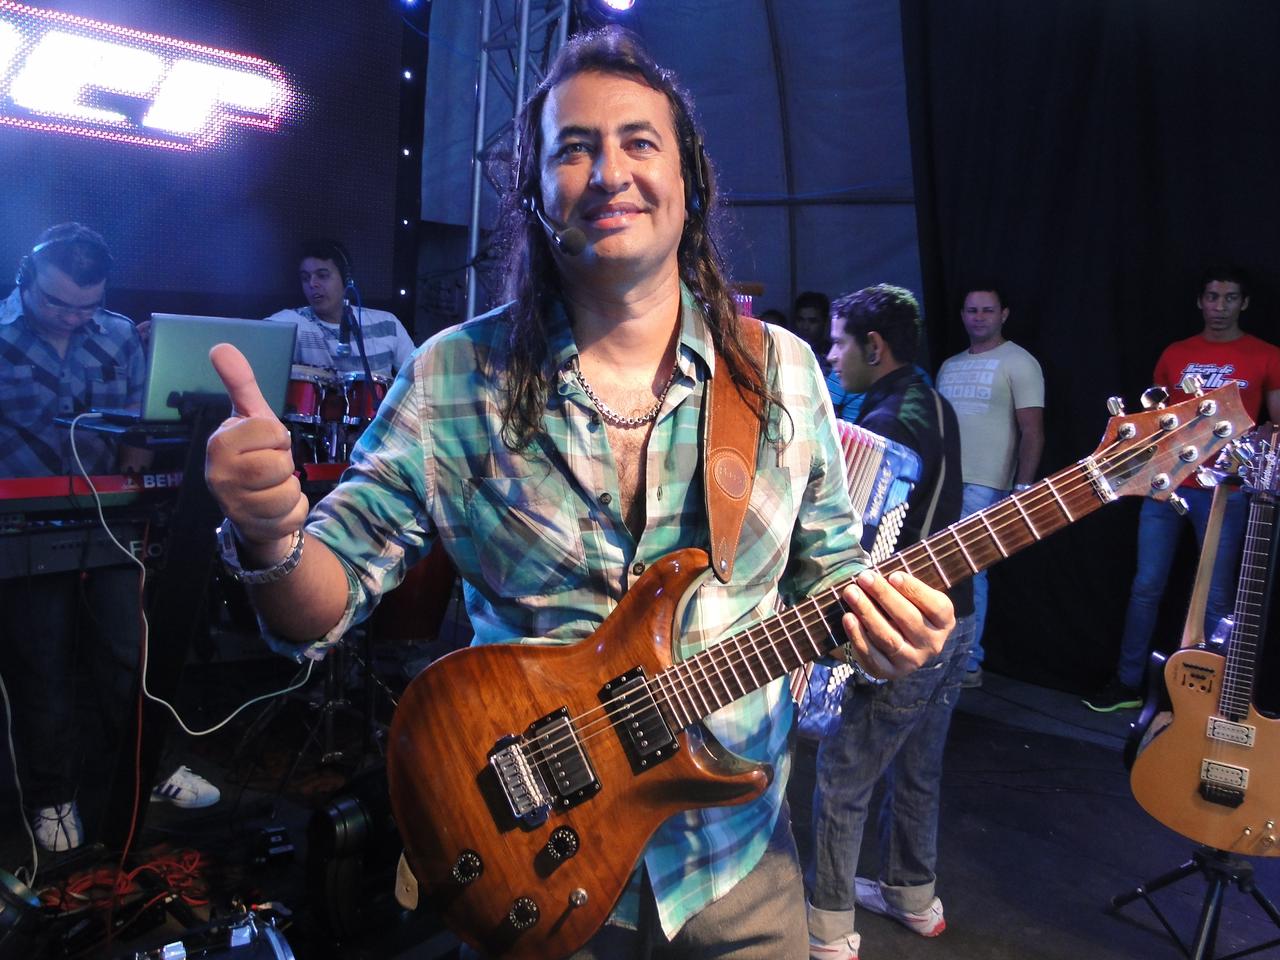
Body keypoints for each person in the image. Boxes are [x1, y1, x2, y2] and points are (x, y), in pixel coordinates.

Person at [205, 27, 953, 960]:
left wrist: (883, 635)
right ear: (533, 191)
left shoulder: (783, 372)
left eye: (640, 142)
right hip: (529, 868)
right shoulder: (452, 377)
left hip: (736, 871)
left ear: (690, 181)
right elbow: (315, 610)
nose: (609, 173)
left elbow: (830, 576)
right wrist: (272, 536)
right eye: (573, 148)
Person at [0, 224, 218, 854]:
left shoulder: (119, 335)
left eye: (86, 306)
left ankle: (146, 771)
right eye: (57, 303)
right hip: (21, 526)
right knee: (40, 663)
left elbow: (137, 429)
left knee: (128, 656)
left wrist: (131, 479)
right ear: (25, 280)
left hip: (109, 520)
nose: (72, 318)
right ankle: (51, 793)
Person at [807, 285, 974, 960]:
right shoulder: (935, 402)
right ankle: (912, 896)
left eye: (838, 342)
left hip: (907, 628)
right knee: (918, 770)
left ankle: (827, 929)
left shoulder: (883, 426)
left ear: (873, 347)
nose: (830, 355)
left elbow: (861, 549)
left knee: (842, 778)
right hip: (958, 619)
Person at [1085, 265, 1280, 712]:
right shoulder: (1176, 353)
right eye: (1212, 297)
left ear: (1244, 303)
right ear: (1200, 302)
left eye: (1230, 298)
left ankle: (1213, 700)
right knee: (1146, 586)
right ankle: (1127, 683)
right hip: (1167, 484)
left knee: (1216, 597)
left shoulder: (1266, 355)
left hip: (1227, 492)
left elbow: (1275, 427)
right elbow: (1157, 420)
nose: (1220, 306)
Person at [935, 286, 1044, 686]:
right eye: (971, 310)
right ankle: (945, 656)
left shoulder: (1020, 362)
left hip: (987, 482)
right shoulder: (949, 365)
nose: (978, 317)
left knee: (969, 572)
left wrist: (1023, 488)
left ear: (1004, 314)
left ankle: (967, 663)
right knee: (941, 571)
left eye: (987, 310)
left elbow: (1032, 431)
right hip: (943, 482)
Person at [265, 238, 415, 376]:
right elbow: (257, 338)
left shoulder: (388, 324)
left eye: (322, 275)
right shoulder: (293, 324)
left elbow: (418, 380)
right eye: (305, 278)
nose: (312, 284)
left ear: (347, 280)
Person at [794, 291, 833, 372]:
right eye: (800, 320)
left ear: (825, 322)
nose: (805, 327)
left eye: (812, 321)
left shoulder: (834, 355)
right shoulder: (785, 351)